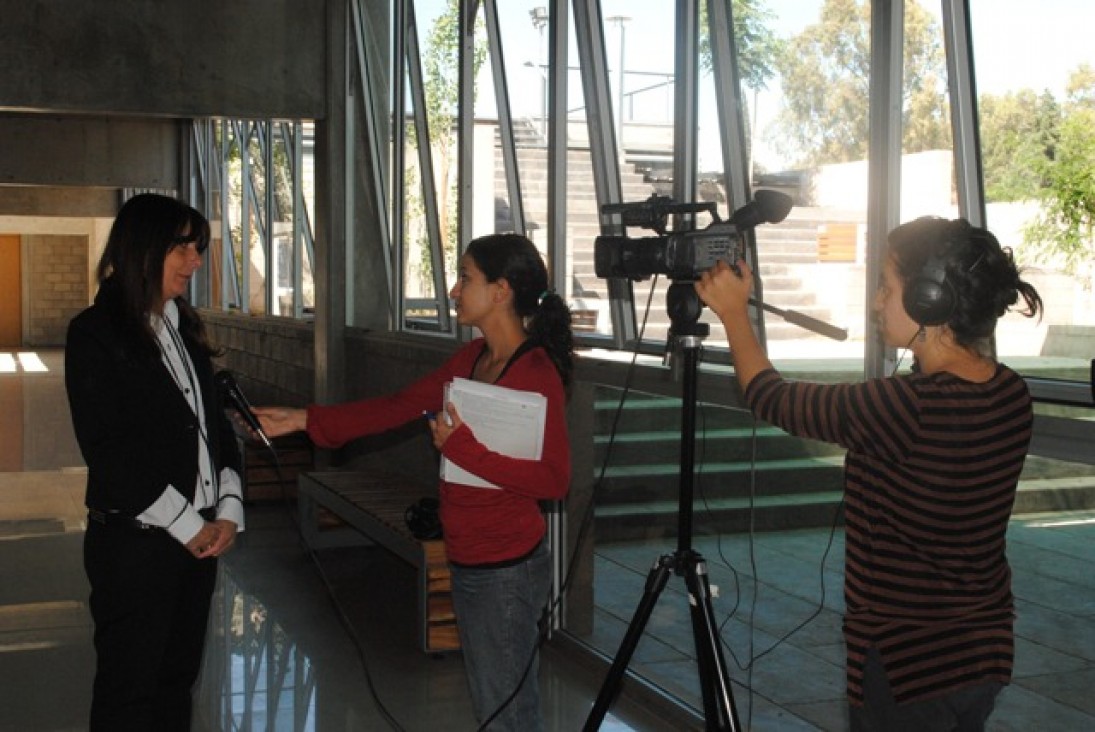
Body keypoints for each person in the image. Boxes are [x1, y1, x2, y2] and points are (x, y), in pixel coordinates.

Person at [695, 216, 1043, 732]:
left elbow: (772, 398)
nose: (877, 301)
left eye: (887, 286)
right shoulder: (1010, 392)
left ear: (930, 301)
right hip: (981, 655)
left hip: (909, 666)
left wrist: (733, 315)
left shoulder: (905, 407)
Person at [255, 232, 574, 731]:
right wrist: (302, 419)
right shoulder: (469, 361)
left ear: (500, 291)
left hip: (506, 571)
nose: (453, 290)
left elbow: (554, 480)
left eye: (465, 278)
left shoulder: (535, 372)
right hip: (468, 558)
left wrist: (463, 448)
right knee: (494, 701)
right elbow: (396, 407)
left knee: (507, 710)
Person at [65, 193, 245, 731]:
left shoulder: (183, 327)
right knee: (128, 693)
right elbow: (109, 451)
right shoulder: (94, 334)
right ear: (143, 247)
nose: (195, 261)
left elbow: (214, 428)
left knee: (175, 684)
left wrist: (229, 507)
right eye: (183, 247)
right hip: (136, 549)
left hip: (198, 546)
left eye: (199, 248)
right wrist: (191, 525)